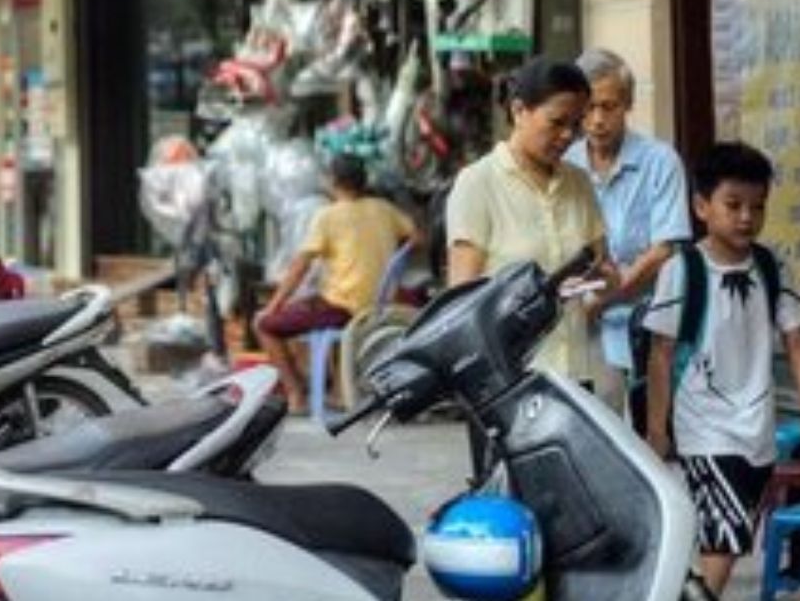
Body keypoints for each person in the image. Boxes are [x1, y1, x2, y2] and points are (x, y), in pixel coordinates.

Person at [643, 142, 800, 597]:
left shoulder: (771, 266)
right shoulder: (681, 269)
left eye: (757, 207)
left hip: (757, 428)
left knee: (725, 536)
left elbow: (798, 342)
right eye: (733, 205)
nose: (746, 217)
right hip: (703, 427)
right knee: (723, 541)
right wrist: (657, 430)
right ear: (701, 206)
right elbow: (661, 353)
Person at [445, 57, 615, 384]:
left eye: (576, 124)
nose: (567, 136)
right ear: (519, 111)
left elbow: (605, 271)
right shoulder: (478, 183)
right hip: (510, 383)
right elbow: (462, 304)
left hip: (575, 377)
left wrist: (602, 281)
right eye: (557, 122)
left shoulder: (578, 183)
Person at [564, 48, 692, 419]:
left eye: (609, 107)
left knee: (649, 432)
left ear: (628, 104)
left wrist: (601, 301)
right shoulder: (566, 165)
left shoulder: (660, 161)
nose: (597, 120)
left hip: (647, 324)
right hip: (582, 329)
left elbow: (664, 249)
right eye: (588, 109)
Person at [253, 154, 421, 416]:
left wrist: (273, 306)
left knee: (264, 326)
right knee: (317, 305)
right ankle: (338, 391)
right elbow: (417, 238)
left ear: (333, 181)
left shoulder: (328, 216)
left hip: (344, 308)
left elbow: (300, 267)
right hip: (381, 304)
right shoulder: (384, 209)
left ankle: (296, 395)